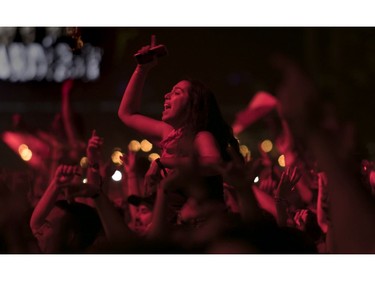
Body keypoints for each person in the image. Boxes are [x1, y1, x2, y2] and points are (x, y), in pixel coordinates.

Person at [118, 35, 241, 216]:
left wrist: (161, 161)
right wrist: (141, 69)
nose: (167, 95)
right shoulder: (168, 133)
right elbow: (127, 114)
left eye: (177, 92)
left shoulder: (202, 136)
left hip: (203, 229)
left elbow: (214, 163)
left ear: (193, 104)